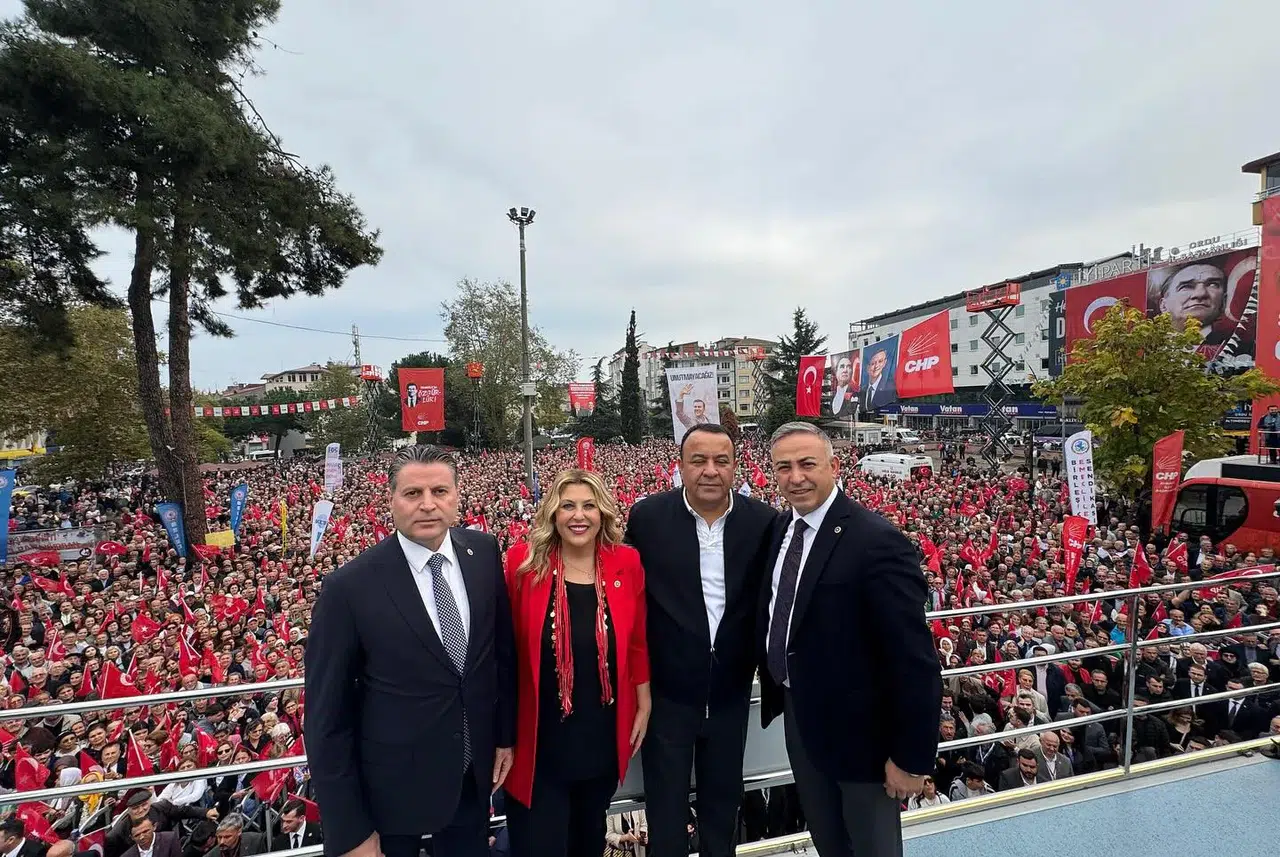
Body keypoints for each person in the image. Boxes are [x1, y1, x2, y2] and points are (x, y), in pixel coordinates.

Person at [305, 445, 517, 857]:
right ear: (391, 500)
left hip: (472, 782)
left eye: (439, 491)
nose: (428, 505)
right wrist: (350, 832)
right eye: (413, 494)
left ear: (457, 495)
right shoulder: (349, 587)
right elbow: (325, 719)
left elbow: (499, 657)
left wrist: (505, 737)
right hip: (391, 801)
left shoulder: (484, 553)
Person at [758, 422, 941, 857]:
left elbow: (914, 659)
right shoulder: (782, 529)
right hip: (800, 717)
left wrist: (911, 758)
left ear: (835, 466)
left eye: (807, 464)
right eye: (784, 467)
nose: (796, 476)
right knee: (829, 843)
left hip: (863, 738)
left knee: (873, 848)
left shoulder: (876, 540)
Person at [624, 424, 779, 857]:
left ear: (736, 466)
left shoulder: (763, 521)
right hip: (667, 698)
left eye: (721, 461)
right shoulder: (648, 517)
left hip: (731, 695)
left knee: (722, 811)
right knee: (666, 816)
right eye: (698, 460)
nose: (710, 471)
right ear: (680, 465)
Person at [502, 469, 651, 857]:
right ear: (553, 513)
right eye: (568, 505)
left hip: (599, 738)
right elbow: (505, 649)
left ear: (603, 513)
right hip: (540, 743)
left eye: (589, 505)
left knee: (587, 843)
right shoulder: (523, 563)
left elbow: (636, 641)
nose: (578, 515)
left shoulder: (627, 562)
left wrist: (644, 698)